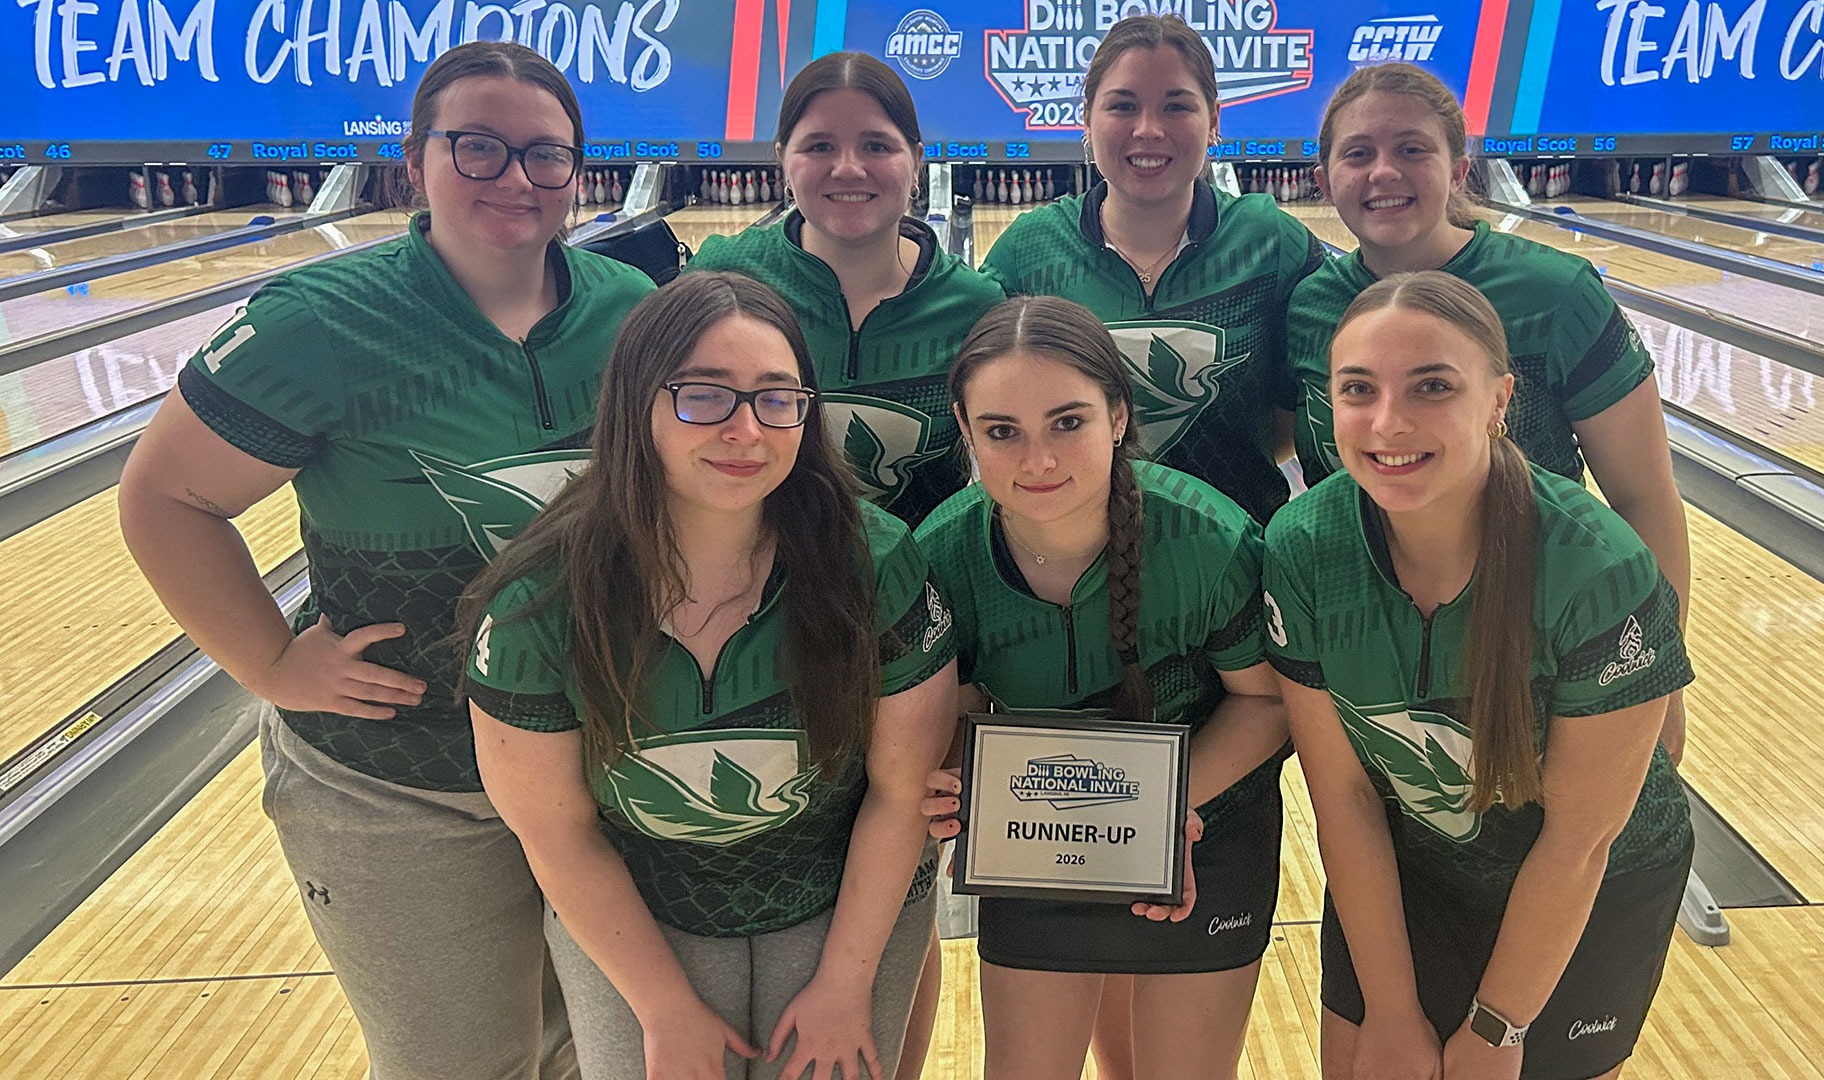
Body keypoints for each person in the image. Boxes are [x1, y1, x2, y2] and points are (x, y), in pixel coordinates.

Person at [116, 42, 656, 1080]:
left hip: (603, 769)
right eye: (478, 147)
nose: (516, 177)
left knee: (597, 1057)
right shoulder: (319, 323)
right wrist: (274, 664)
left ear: (578, 170)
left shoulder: (634, 312)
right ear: (415, 160)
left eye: (546, 154)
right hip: (401, 786)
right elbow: (165, 499)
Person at [462, 272, 957, 1080]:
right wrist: (663, 1009)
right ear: (637, 405)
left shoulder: (874, 561)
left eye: (777, 398)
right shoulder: (538, 602)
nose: (746, 430)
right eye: (705, 396)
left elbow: (902, 792)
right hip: (642, 912)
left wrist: (844, 983)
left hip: (840, 898)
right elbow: (556, 832)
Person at [1265, 271, 1695, 1080]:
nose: (1388, 422)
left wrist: (1499, 1029)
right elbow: (1345, 798)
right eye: (1358, 389)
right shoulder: (1304, 546)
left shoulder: (1595, 569)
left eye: (1432, 386)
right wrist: (1391, 1010)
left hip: (1589, 895)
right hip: (1413, 871)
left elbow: (1578, 842)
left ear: (1499, 401)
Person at [916, 295, 1290, 1080]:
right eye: (1002, 431)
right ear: (964, 430)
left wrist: (1157, 811)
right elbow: (960, 708)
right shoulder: (942, 554)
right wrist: (957, 783)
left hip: (1205, 825)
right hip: (1038, 836)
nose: (1038, 461)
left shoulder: (1207, 537)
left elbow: (1265, 701)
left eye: (1068, 422)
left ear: (1118, 415)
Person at [1290, 62, 1691, 763]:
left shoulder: (1555, 293)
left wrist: (1652, 670)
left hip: (1546, 634)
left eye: (1412, 148)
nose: (1384, 171)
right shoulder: (1311, 307)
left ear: (1458, 170)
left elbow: (1643, 495)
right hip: (1376, 650)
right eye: (1359, 153)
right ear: (1324, 181)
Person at [980, 14, 1322, 525]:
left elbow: (1295, 413)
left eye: (1176, 106)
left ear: (1213, 121)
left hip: (1235, 548)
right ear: (1087, 120)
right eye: (1122, 106)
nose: (1148, 129)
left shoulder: (1272, 242)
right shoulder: (1026, 254)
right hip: (1073, 547)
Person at [687, 51, 1003, 528]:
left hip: (919, 563)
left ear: (917, 161)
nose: (849, 168)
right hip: (765, 561)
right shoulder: (723, 280)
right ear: (783, 160)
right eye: (819, 146)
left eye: (877, 145)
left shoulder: (975, 307)